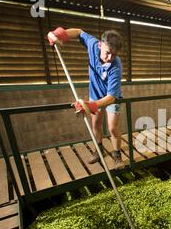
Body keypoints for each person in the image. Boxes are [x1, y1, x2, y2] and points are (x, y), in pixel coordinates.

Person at [47, 27, 124, 168]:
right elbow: (79, 32)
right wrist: (59, 34)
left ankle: (117, 154)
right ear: (100, 45)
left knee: (112, 127)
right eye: (107, 53)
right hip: (95, 94)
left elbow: (111, 97)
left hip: (111, 97)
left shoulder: (116, 66)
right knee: (96, 124)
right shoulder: (94, 45)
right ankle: (99, 150)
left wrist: (90, 106)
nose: (110, 58)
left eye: (114, 55)